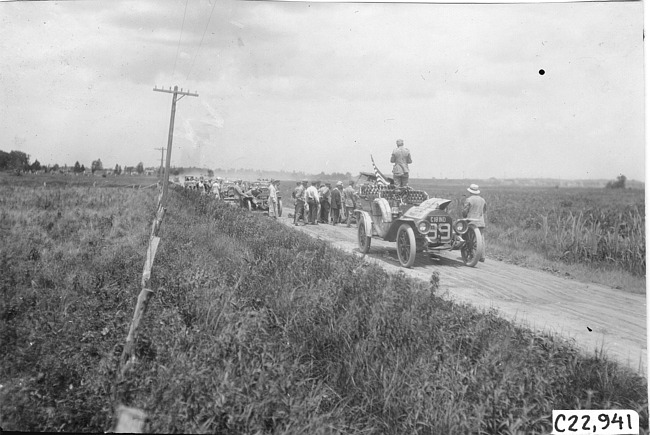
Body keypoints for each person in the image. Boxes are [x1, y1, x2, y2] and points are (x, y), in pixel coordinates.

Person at [462, 183, 487, 262]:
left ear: (470, 191)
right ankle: (482, 256)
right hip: (480, 221)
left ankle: (471, 255)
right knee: (481, 238)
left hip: (471, 222)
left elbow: (465, 211)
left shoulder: (469, 199)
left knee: (467, 239)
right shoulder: (482, 200)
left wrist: (465, 216)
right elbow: (484, 210)